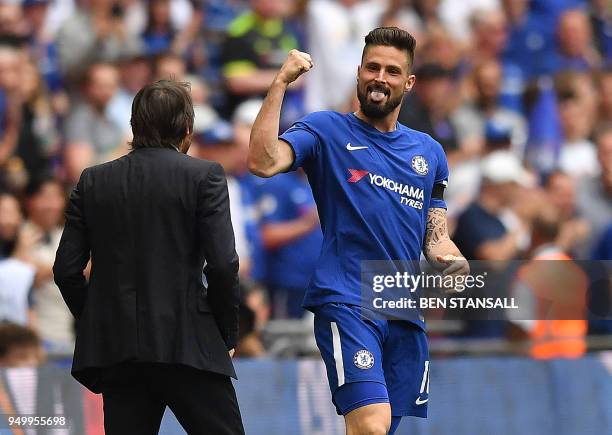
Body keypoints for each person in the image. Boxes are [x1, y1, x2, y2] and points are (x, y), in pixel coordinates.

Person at [248, 27, 469, 435]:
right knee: (371, 424)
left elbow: (435, 235)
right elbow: (262, 162)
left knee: (378, 430)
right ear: (358, 72)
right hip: (348, 299)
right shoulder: (327, 129)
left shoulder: (429, 153)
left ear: (409, 82)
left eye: (391, 70)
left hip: (405, 313)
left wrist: (451, 259)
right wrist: (279, 83)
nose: (380, 78)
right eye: (372, 67)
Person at [53, 80, 244, 435]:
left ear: (133, 126)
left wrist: (100, 318)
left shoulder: (93, 181)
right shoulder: (205, 176)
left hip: (120, 351)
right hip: (190, 344)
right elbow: (223, 264)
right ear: (187, 128)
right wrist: (226, 332)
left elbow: (66, 271)